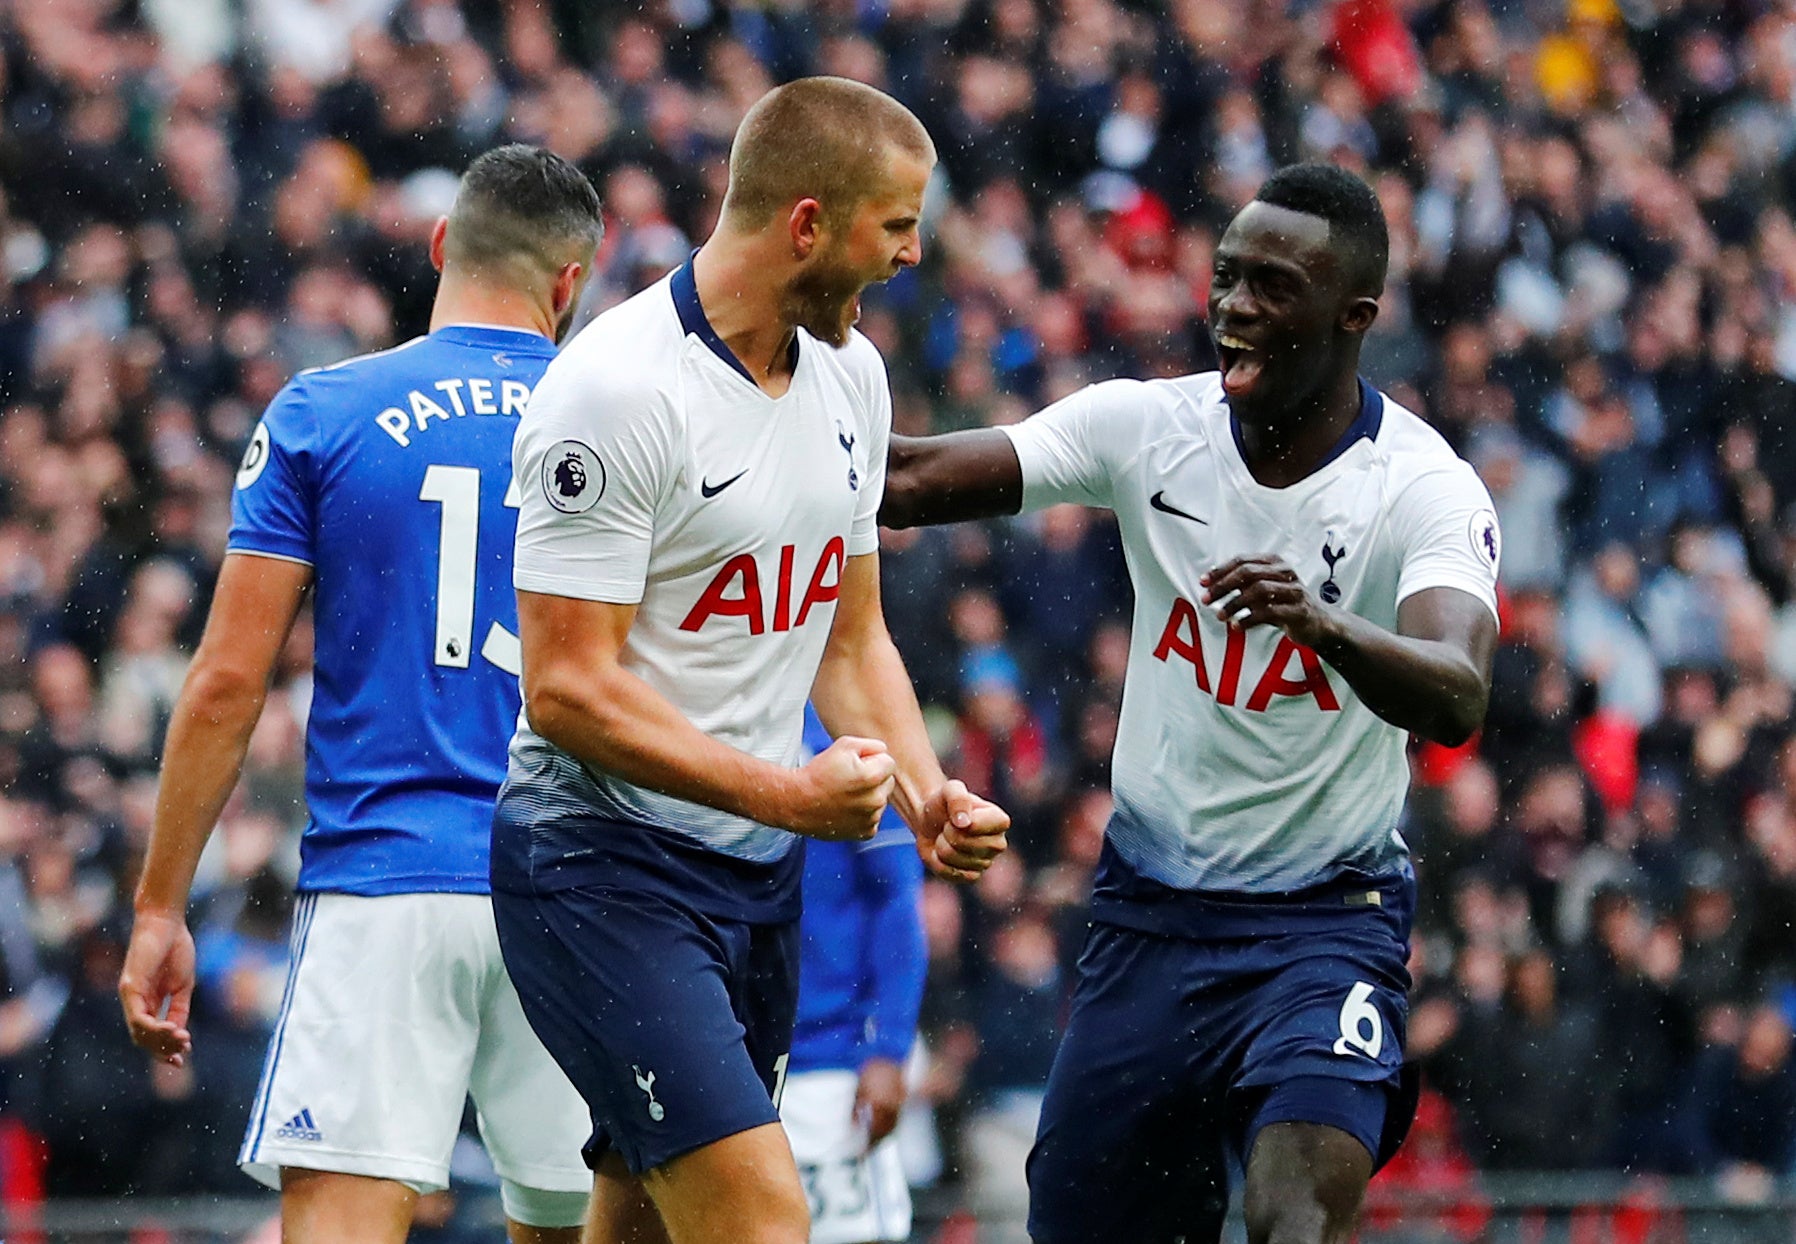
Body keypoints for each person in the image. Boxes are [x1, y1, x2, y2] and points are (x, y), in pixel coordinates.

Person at [881, 163, 1503, 1244]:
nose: (1232, 306)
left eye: (1272, 286)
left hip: (1325, 923)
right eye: (1226, 277)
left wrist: (1323, 624)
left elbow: (1458, 692)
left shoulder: (1422, 487)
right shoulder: (1147, 427)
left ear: (1354, 316)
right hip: (1149, 920)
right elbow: (909, 479)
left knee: (1295, 1215)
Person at [489, 77, 1010, 1244]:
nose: (913, 253)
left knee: (639, 1219)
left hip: (757, 878)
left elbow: (849, 634)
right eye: (896, 224)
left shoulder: (852, 375)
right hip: (599, 864)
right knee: (761, 1220)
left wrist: (926, 792)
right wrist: (787, 794)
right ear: (807, 223)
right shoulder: (615, 389)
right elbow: (565, 690)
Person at [117, 145, 605, 1244]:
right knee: (588, 1225)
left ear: (440, 246)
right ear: (570, 280)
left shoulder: (325, 409)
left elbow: (228, 682)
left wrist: (159, 908)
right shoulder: (626, 423)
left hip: (384, 882)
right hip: (576, 887)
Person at [782, 706, 926, 1244]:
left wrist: (889, 1047)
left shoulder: (846, 743)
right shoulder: (694, 729)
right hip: (723, 1066)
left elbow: (898, 904)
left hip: (830, 1064)